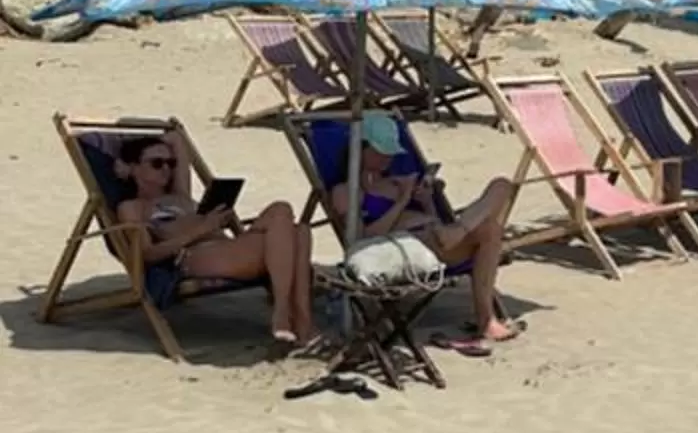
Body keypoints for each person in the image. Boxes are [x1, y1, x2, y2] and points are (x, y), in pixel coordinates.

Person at [116, 130, 316, 349]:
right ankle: (291, 316)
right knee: (296, 235)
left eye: (170, 163)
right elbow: (147, 254)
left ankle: (293, 316)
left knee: (290, 218)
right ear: (133, 168)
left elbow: (177, 138)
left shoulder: (180, 195)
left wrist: (216, 220)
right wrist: (204, 228)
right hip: (196, 255)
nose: (166, 169)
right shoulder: (133, 208)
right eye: (156, 163)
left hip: (227, 247)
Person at [352, 116, 520, 350]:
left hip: (440, 235)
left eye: (390, 153)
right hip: (412, 245)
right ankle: (486, 320)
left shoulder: (397, 180)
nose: (387, 159)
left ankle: (459, 230)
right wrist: (402, 201)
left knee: (502, 185)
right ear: (361, 148)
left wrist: (426, 200)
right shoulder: (349, 191)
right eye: (380, 152)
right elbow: (366, 238)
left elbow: (430, 217)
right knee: (491, 230)